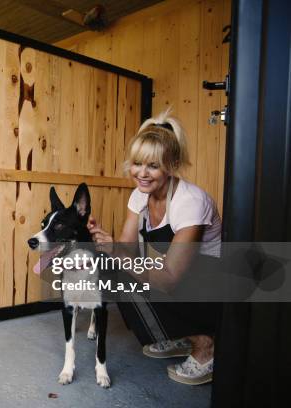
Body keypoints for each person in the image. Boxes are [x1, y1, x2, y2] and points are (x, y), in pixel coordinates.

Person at [87, 108, 222, 385]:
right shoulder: (140, 194)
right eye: (137, 163)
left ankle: (205, 346)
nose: (142, 173)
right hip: (179, 276)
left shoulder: (190, 202)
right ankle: (181, 336)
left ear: (171, 164)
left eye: (153, 165)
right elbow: (124, 248)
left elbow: (170, 279)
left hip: (213, 285)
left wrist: (118, 254)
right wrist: (101, 239)